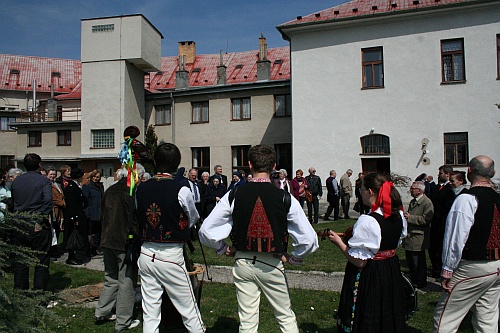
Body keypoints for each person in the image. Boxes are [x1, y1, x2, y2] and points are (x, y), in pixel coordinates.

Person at [199, 144, 318, 333]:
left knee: (247, 322)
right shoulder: (285, 197)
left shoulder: (234, 194)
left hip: (243, 261)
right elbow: (310, 239)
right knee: (285, 317)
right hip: (272, 262)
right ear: (273, 167)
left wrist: (223, 248)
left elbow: (206, 230)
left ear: (249, 164)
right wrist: (293, 257)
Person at [135, 143, 205, 333]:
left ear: (156, 162)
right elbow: (193, 217)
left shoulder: (140, 188)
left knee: (150, 310)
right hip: (171, 254)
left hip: (146, 252)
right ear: (177, 164)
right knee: (189, 309)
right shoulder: (181, 189)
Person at [328, 172, 408, 332]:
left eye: (362, 189)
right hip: (390, 268)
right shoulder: (398, 215)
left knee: (368, 311)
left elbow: (360, 261)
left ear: (370, 192)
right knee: (387, 309)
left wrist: (339, 243)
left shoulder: (368, 220)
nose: (360, 193)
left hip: (371, 273)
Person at [433, 155, 500, 333]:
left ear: (469, 171)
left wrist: (447, 270)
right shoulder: (497, 198)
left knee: (445, 318)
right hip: (496, 267)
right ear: (492, 173)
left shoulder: (467, 199)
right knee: (487, 318)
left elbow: (455, 238)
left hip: (472, 266)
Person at [94, 165, 145, 331]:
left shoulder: (110, 190)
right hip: (124, 242)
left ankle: (102, 311)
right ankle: (123, 320)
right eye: (141, 177)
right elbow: (136, 219)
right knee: (127, 281)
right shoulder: (131, 193)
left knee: (110, 277)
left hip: (107, 239)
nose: (141, 181)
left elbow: (102, 213)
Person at [11, 153, 53, 290]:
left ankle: (20, 291)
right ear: (39, 165)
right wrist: (40, 220)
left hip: (19, 223)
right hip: (36, 223)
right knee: (41, 261)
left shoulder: (16, 181)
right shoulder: (43, 181)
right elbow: (47, 202)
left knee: (21, 260)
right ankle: (39, 293)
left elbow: (13, 201)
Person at [403, 181, 434, 289]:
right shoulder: (413, 201)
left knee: (418, 261)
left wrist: (410, 218)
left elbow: (426, 219)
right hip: (410, 235)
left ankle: (421, 282)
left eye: (412, 188)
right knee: (410, 260)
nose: (410, 190)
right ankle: (414, 278)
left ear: (419, 191)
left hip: (418, 236)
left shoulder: (426, 202)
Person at [428, 165, 455, 279]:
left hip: (442, 222)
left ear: (447, 175)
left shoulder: (450, 189)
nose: (438, 175)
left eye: (441, 173)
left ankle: (439, 269)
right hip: (435, 222)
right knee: (433, 247)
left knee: (440, 247)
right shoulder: (437, 187)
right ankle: (435, 268)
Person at [63, 168, 87, 265]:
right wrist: (75, 218)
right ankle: (71, 256)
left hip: (79, 214)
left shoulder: (77, 186)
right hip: (73, 216)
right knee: (72, 236)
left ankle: (75, 254)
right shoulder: (71, 187)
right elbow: (71, 204)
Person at [82, 169, 105, 256]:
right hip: (91, 213)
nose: (96, 178)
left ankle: (96, 247)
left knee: (98, 232)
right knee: (90, 233)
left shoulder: (100, 186)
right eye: (95, 177)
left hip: (99, 213)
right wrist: (87, 213)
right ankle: (89, 248)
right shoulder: (88, 186)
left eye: (98, 177)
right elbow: (85, 200)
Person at [47, 167, 65, 260]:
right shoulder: (47, 185)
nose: (53, 176)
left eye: (54, 174)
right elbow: (51, 198)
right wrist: (62, 203)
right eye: (51, 174)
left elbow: (61, 195)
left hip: (59, 211)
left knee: (57, 229)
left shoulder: (57, 184)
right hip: (53, 209)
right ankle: (51, 251)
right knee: (52, 230)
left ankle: (55, 248)